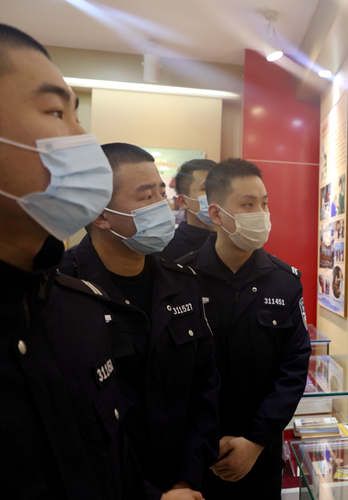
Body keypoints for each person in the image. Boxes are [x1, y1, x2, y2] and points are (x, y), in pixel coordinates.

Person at [0, 23, 162, 499]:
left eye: (77, 115)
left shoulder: (77, 313)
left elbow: (110, 466)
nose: (83, 137)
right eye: (55, 112)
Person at [59, 143, 221, 499]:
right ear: (101, 216)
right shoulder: (61, 290)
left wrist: (186, 480)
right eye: (147, 197)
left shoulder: (182, 283)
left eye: (162, 193)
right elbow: (68, 424)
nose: (162, 206)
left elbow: (205, 386)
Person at [177, 158, 311, 499]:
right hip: (191, 461)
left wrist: (255, 441)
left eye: (264, 203)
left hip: (260, 457)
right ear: (216, 214)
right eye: (248, 205)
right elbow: (170, 375)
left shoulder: (285, 282)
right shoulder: (181, 280)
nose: (261, 214)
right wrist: (204, 442)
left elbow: (294, 366)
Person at [158, 159, 217, 261]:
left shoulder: (235, 243)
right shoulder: (165, 249)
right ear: (183, 201)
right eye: (206, 189)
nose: (218, 195)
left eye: (221, 189)